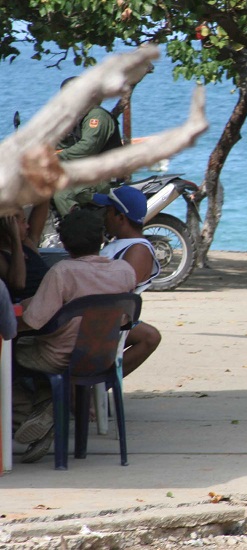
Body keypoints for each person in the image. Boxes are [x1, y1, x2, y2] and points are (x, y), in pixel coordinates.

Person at [12, 209, 136, 464]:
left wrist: (11, 324)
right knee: (40, 355)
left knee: (13, 352)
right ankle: (48, 410)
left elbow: (36, 320)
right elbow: (122, 316)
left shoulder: (62, 271)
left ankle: (35, 412)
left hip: (56, 356)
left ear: (64, 243)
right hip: (102, 357)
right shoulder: (124, 270)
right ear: (102, 239)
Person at [93, 186, 162, 376]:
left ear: (120, 217)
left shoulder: (137, 249)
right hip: (97, 318)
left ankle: (98, 385)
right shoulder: (121, 243)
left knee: (150, 337)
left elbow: (119, 290)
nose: (104, 217)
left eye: (108, 212)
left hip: (104, 321)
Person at [52, 76, 124, 218]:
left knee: (61, 194)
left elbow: (87, 147)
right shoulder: (77, 118)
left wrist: (57, 157)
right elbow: (60, 143)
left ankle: (78, 231)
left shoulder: (96, 116)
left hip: (105, 178)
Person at [0, 202, 50, 302]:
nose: (27, 226)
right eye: (23, 222)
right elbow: (18, 284)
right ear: (8, 226)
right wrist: (15, 238)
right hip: (27, 307)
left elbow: (43, 202)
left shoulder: (28, 244)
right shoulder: (2, 256)